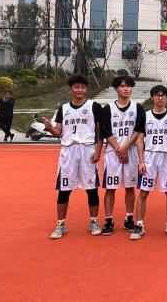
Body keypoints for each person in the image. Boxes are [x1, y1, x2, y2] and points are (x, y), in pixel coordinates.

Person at [44, 75, 103, 239]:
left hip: (87, 149)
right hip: (68, 151)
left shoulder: (94, 106)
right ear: (70, 89)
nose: (80, 90)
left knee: (91, 188)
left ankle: (94, 221)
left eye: (83, 87)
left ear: (86, 89)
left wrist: (98, 151)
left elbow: (100, 132)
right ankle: (60, 224)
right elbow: (59, 132)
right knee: (64, 189)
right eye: (76, 87)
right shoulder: (63, 109)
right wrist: (50, 127)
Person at [131, 85, 167, 240]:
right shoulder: (144, 116)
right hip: (150, 157)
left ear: (166, 98)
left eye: (163, 95)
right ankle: (139, 224)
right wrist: (141, 161)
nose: (160, 98)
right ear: (152, 97)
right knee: (143, 192)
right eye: (157, 95)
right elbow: (139, 139)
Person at [100, 75, 146, 236]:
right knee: (110, 188)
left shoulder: (138, 108)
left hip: (131, 151)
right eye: (122, 86)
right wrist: (119, 150)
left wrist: (125, 147)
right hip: (113, 152)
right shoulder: (108, 109)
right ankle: (108, 219)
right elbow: (106, 131)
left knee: (130, 187)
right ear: (116, 88)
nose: (126, 89)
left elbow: (139, 130)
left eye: (128, 86)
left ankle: (129, 217)